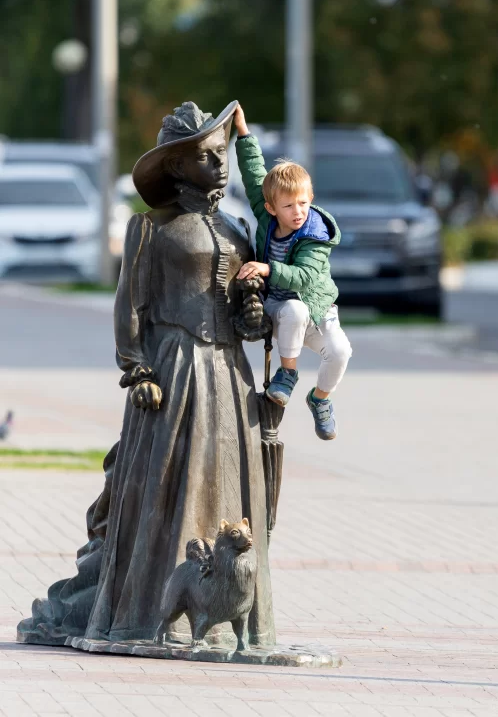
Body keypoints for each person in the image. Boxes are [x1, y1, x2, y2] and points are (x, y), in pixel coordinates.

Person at [17, 101, 275, 651]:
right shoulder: (152, 229)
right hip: (175, 369)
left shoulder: (237, 228)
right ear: (178, 167)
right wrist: (137, 370)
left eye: (221, 153)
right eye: (206, 157)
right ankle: (151, 611)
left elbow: (246, 314)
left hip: (229, 373)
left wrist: (251, 318)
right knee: (165, 486)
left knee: (227, 481)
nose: (220, 165)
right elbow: (129, 306)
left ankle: (226, 610)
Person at [234, 105, 352, 441]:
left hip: (317, 310)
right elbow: (254, 173)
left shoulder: (316, 236)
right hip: (279, 306)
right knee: (293, 310)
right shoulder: (267, 215)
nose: (297, 211)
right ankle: (287, 374)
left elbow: (303, 278)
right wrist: (243, 132)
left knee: (340, 352)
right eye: (288, 206)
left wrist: (268, 267)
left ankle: (320, 399)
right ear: (271, 208)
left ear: (310, 198)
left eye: (302, 203)